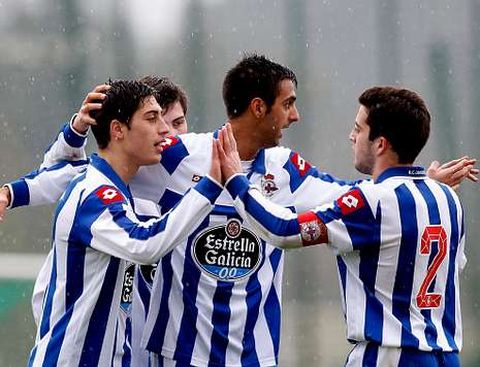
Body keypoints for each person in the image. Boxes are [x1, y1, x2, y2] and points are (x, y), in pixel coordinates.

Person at [0, 56, 476, 367]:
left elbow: (356, 201)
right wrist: (13, 193)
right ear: (258, 107)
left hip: (255, 356)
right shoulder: (179, 154)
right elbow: (85, 174)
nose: (295, 116)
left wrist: (416, 187)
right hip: (178, 354)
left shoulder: (287, 169)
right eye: (287, 104)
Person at [218, 87, 468, 366]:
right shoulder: (446, 198)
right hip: (446, 355)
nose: (351, 136)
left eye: (358, 128)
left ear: (380, 144)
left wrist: (236, 181)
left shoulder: (370, 202)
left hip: (388, 355)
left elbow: (283, 230)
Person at [26, 79, 223, 367]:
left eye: (170, 120)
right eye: (152, 118)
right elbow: (145, 244)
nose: (165, 130)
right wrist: (209, 186)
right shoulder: (94, 193)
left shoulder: (122, 191)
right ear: (118, 130)